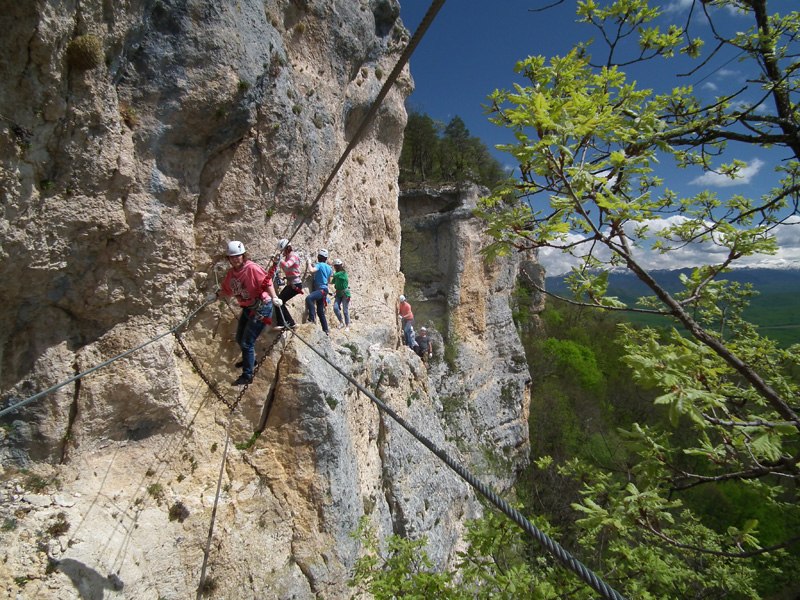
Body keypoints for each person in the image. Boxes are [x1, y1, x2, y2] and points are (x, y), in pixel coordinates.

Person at [218, 240, 282, 386]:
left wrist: (274, 297)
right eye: (232, 257)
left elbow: (267, 282)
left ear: (243, 255)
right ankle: (250, 361)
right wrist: (215, 296)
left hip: (262, 307)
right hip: (248, 308)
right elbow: (226, 290)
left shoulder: (252, 268)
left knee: (247, 343)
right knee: (240, 338)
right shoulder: (231, 274)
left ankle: (247, 375)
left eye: (238, 256)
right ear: (229, 259)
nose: (235, 259)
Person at [273, 238, 303, 329]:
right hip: (292, 284)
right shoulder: (286, 257)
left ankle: (282, 323)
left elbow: (287, 265)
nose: (282, 253)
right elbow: (283, 267)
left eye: (282, 251)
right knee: (280, 301)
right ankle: (289, 322)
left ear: (287, 248)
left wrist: (279, 259)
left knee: (280, 300)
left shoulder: (293, 256)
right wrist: (275, 261)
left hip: (295, 284)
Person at [306, 249, 333, 335]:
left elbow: (311, 270)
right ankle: (326, 330)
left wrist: (309, 263)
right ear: (326, 258)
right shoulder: (329, 268)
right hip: (324, 290)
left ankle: (311, 318)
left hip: (320, 290)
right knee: (320, 312)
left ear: (319, 257)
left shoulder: (319, 265)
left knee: (309, 298)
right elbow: (328, 280)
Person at [330, 258, 351, 330]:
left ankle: (347, 325)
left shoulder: (343, 273)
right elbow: (332, 281)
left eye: (337, 266)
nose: (336, 267)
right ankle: (341, 322)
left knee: (345, 310)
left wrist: (328, 272)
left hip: (345, 294)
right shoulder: (337, 274)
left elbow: (335, 275)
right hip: (338, 293)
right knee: (335, 308)